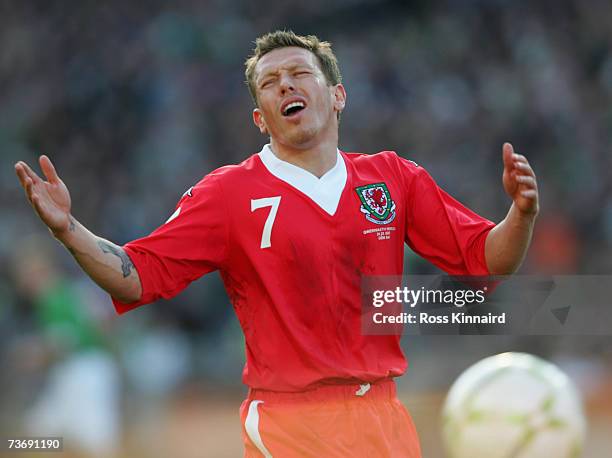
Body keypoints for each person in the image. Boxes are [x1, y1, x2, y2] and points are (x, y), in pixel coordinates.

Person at [15, 30, 539, 457]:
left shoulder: (393, 178)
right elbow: (137, 274)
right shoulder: (227, 193)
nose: (286, 84)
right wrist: (68, 230)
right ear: (260, 117)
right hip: (292, 424)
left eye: (299, 73)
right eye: (270, 81)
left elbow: (488, 259)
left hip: (384, 419)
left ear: (337, 96)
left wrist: (521, 214)